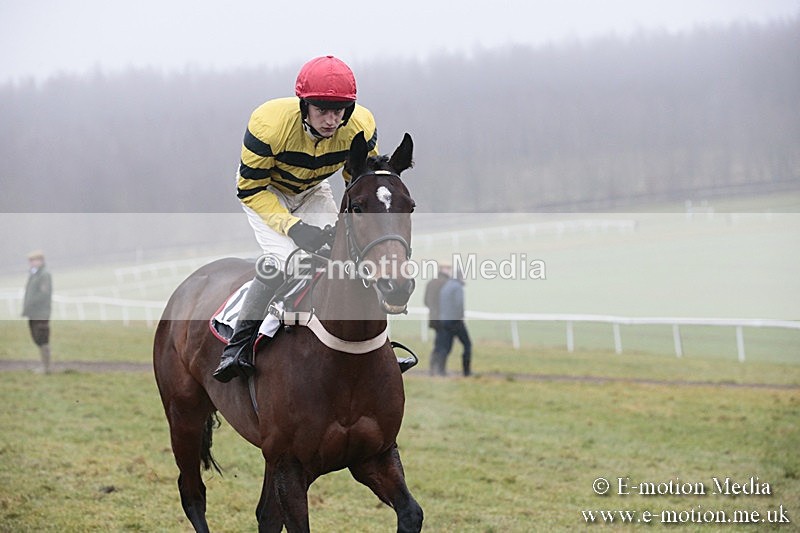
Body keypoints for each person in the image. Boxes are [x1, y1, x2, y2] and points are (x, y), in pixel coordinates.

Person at [213, 55, 379, 382]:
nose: (331, 121)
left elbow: (357, 185)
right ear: (304, 106)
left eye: (339, 111)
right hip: (266, 191)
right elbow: (250, 189)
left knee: (349, 258)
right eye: (322, 110)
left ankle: (374, 347)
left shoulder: (362, 126)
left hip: (314, 190)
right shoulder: (268, 124)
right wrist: (292, 227)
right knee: (288, 262)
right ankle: (238, 345)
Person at [435, 266, 473, 377]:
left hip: (444, 320)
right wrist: (460, 318)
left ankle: (440, 371)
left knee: (445, 347)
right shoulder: (457, 287)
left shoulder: (446, 286)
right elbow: (459, 304)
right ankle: (466, 372)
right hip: (455, 321)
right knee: (467, 345)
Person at [22, 251, 53, 374]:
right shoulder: (34, 275)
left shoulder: (44, 275)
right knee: (36, 338)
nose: (31, 263)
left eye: (34, 260)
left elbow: (44, 293)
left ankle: (47, 368)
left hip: (41, 312)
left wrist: (31, 303)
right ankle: (44, 366)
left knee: (42, 338)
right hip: (33, 312)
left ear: (41, 261)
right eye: (30, 261)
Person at [423, 263, 451, 376]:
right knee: (444, 345)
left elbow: (426, 301)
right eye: (449, 268)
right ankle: (440, 370)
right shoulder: (446, 283)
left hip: (433, 318)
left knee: (438, 343)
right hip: (444, 318)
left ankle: (433, 368)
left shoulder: (431, 283)